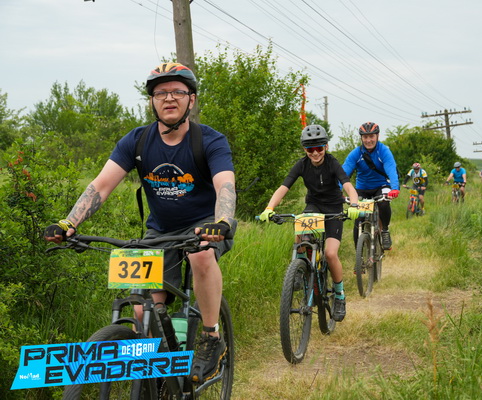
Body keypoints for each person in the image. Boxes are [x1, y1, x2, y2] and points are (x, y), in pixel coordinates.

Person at [43, 62, 236, 385]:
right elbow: (101, 186)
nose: (169, 98)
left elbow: (225, 186)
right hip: (160, 231)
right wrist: (68, 223)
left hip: (206, 225)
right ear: (152, 101)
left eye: (177, 91)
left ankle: (210, 336)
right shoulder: (137, 141)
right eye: (160, 93)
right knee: (141, 310)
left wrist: (223, 221)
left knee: (201, 255)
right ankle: (162, 373)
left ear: (191, 99)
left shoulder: (210, 141)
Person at [259, 125, 360, 322]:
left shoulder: (332, 163)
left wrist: (354, 204)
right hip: (313, 206)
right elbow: (284, 187)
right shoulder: (301, 165)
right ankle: (299, 269)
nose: (315, 153)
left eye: (319, 148)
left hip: (333, 208)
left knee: (330, 254)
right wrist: (269, 208)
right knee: (300, 231)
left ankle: (340, 295)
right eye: (310, 149)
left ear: (326, 147)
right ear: (304, 149)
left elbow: (347, 185)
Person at [341, 122, 400, 250]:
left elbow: (391, 169)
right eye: (365, 137)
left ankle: (385, 230)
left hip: (381, 185)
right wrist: (337, 191)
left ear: (377, 136)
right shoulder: (356, 153)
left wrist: (395, 188)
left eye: (371, 136)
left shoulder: (384, 151)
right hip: (362, 188)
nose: (368, 140)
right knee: (358, 217)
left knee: (384, 203)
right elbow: (343, 174)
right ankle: (359, 254)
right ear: (361, 138)